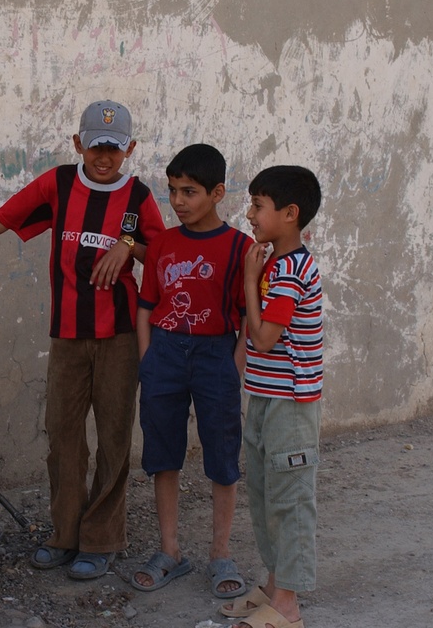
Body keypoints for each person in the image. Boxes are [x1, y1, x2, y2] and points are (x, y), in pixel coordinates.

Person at [0, 100, 165, 580]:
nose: (105, 158)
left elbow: (165, 255)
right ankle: (64, 533)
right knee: (63, 439)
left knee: (113, 439)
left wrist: (129, 245)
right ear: (78, 145)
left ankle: (102, 538)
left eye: (114, 149)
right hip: (68, 337)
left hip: (121, 337)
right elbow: (3, 219)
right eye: (95, 148)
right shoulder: (59, 184)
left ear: (129, 148)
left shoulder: (139, 198)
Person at [128, 144, 253, 599]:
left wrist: (233, 364)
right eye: (173, 191)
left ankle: (221, 554)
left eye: (190, 192)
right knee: (163, 453)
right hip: (163, 352)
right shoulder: (161, 244)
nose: (178, 201)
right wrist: (147, 357)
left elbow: (245, 317)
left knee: (222, 455)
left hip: (216, 356)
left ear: (218, 193)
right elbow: (146, 306)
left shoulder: (240, 247)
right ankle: (170, 550)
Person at [222, 165, 323, 628]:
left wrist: (247, 280)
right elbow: (254, 339)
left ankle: (288, 605)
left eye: (259, 206)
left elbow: (264, 337)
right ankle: (272, 584)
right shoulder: (273, 265)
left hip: (291, 405)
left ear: (290, 214)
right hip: (265, 396)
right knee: (265, 495)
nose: (250, 214)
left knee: (290, 498)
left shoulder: (291, 271)